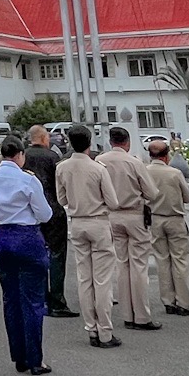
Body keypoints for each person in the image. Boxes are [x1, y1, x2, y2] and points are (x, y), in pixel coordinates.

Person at [0, 137, 52, 375]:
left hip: (2, 237)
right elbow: (44, 214)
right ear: (20, 155)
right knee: (32, 301)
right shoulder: (28, 179)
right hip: (27, 237)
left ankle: (19, 356)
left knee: (11, 299)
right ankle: (35, 358)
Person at [56, 126, 119, 348]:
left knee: (84, 278)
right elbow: (113, 202)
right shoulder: (98, 168)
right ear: (89, 143)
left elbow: (61, 199)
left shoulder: (62, 168)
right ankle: (105, 331)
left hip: (77, 223)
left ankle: (91, 328)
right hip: (98, 222)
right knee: (102, 280)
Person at [98, 125, 162, 332]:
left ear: (111, 142)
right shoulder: (134, 162)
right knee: (139, 266)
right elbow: (152, 193)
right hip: (134, 214)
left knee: (122, 264)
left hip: (111, 215)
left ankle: (127, 313)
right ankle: (141, 315)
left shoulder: (100, 161)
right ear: (127, 142)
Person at [22, 126, 71, 318]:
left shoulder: (23, 156)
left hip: (30, 211)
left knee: (36, 255)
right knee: (57, 255)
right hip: (53, 209)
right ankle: (57, 300)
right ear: (43, 138)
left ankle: (40, 297)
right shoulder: (53, 157)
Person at [145, 137, 189, 316]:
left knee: (162, 260)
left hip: (155, 219)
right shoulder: (174, 173)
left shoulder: (145, 171)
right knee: (180, 261)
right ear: (166, 156)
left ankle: (168, 300)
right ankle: (183, 302)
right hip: (174, 218)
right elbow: (187, 198)